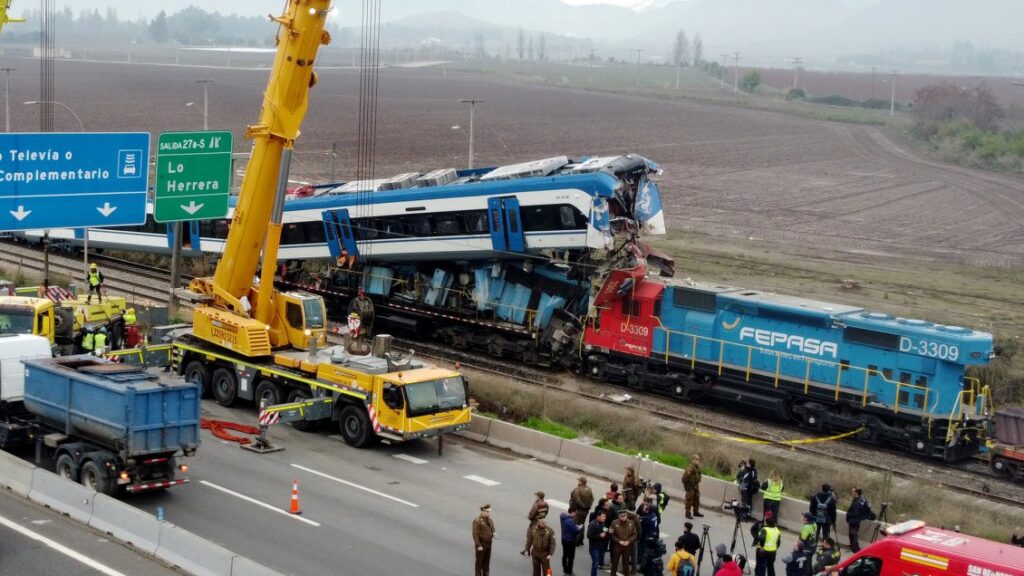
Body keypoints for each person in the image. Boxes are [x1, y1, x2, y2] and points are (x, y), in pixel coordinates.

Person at [610, 508, 638, 576]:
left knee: (626, 563)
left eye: (624, 515)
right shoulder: (614, 523)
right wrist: (619, 541)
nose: (623, 517)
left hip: (627, 546)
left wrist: (629, 541)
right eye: (621, 516)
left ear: (626, 515)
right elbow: (611, 535)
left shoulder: (631, 522)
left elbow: (635, 534)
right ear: (619, 516)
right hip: (617, 546)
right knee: (615, 563)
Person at [523, 491, 551, 556]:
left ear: (538, 497)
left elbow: (532, 514)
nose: (535, 497)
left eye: (536, 496)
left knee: (529, 536)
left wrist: (529, 517)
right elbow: (546, 512)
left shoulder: (536, 504)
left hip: (534, 522)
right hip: (541, 520)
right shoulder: (546, 504)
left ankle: (527, 550)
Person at [845, 488, 873, 553]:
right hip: (856, 520)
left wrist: (848, 514)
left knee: (853, 535)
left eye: (853, 492)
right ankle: (854, 548)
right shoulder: (862, 499)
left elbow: (855, 513)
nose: (851, 493)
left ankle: (856, 550)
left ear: (857, 493)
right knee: (853, 535)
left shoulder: (857, 502)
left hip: (854, 520)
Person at [472, 504, 495, 576]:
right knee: (479, 563)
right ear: (482, 511)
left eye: (489, 512)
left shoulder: (490, 520)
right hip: (481, 544)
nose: (489, 513)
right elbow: (475, 534)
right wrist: (478, 545)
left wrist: (494, 533)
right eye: (487, 512)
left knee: (486, 562)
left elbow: (492, 528)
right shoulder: (477, 521)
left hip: (489, 544)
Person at [587, 510, 609, 576]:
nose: (605, 518)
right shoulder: (592, 524)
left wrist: (608, 531)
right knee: (595, 563)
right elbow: (589, 536)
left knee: (597, 562)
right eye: (603, 516)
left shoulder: (603, 523)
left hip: (601, 546)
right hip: (594, 548)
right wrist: (599, 535)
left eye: (605, 516)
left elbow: (605, 529)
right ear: (598, 516)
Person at [561, 504, 582, 576]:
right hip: (570, 540)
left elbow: (562, 514)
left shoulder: (563, 517)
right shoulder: (571, 521)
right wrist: (580, 527)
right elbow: (575, 530)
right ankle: (569, 572)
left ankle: (565, 570)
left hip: (564, 539)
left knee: (565, 555)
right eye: (575, 512)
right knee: (571, 557)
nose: (576, 514)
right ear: (573, 512)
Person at [682, 455, 703, 519]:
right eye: (696, 460)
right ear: (693, 460)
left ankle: (696, 512)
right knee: (689, 499)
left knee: (697, 498)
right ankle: (687, 513)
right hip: (690, 486)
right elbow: (684, 479)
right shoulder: (690, 468)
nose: (697, 461)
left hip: (695, 485)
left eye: (698, 460)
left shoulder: (697, 468)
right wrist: (687, 486)